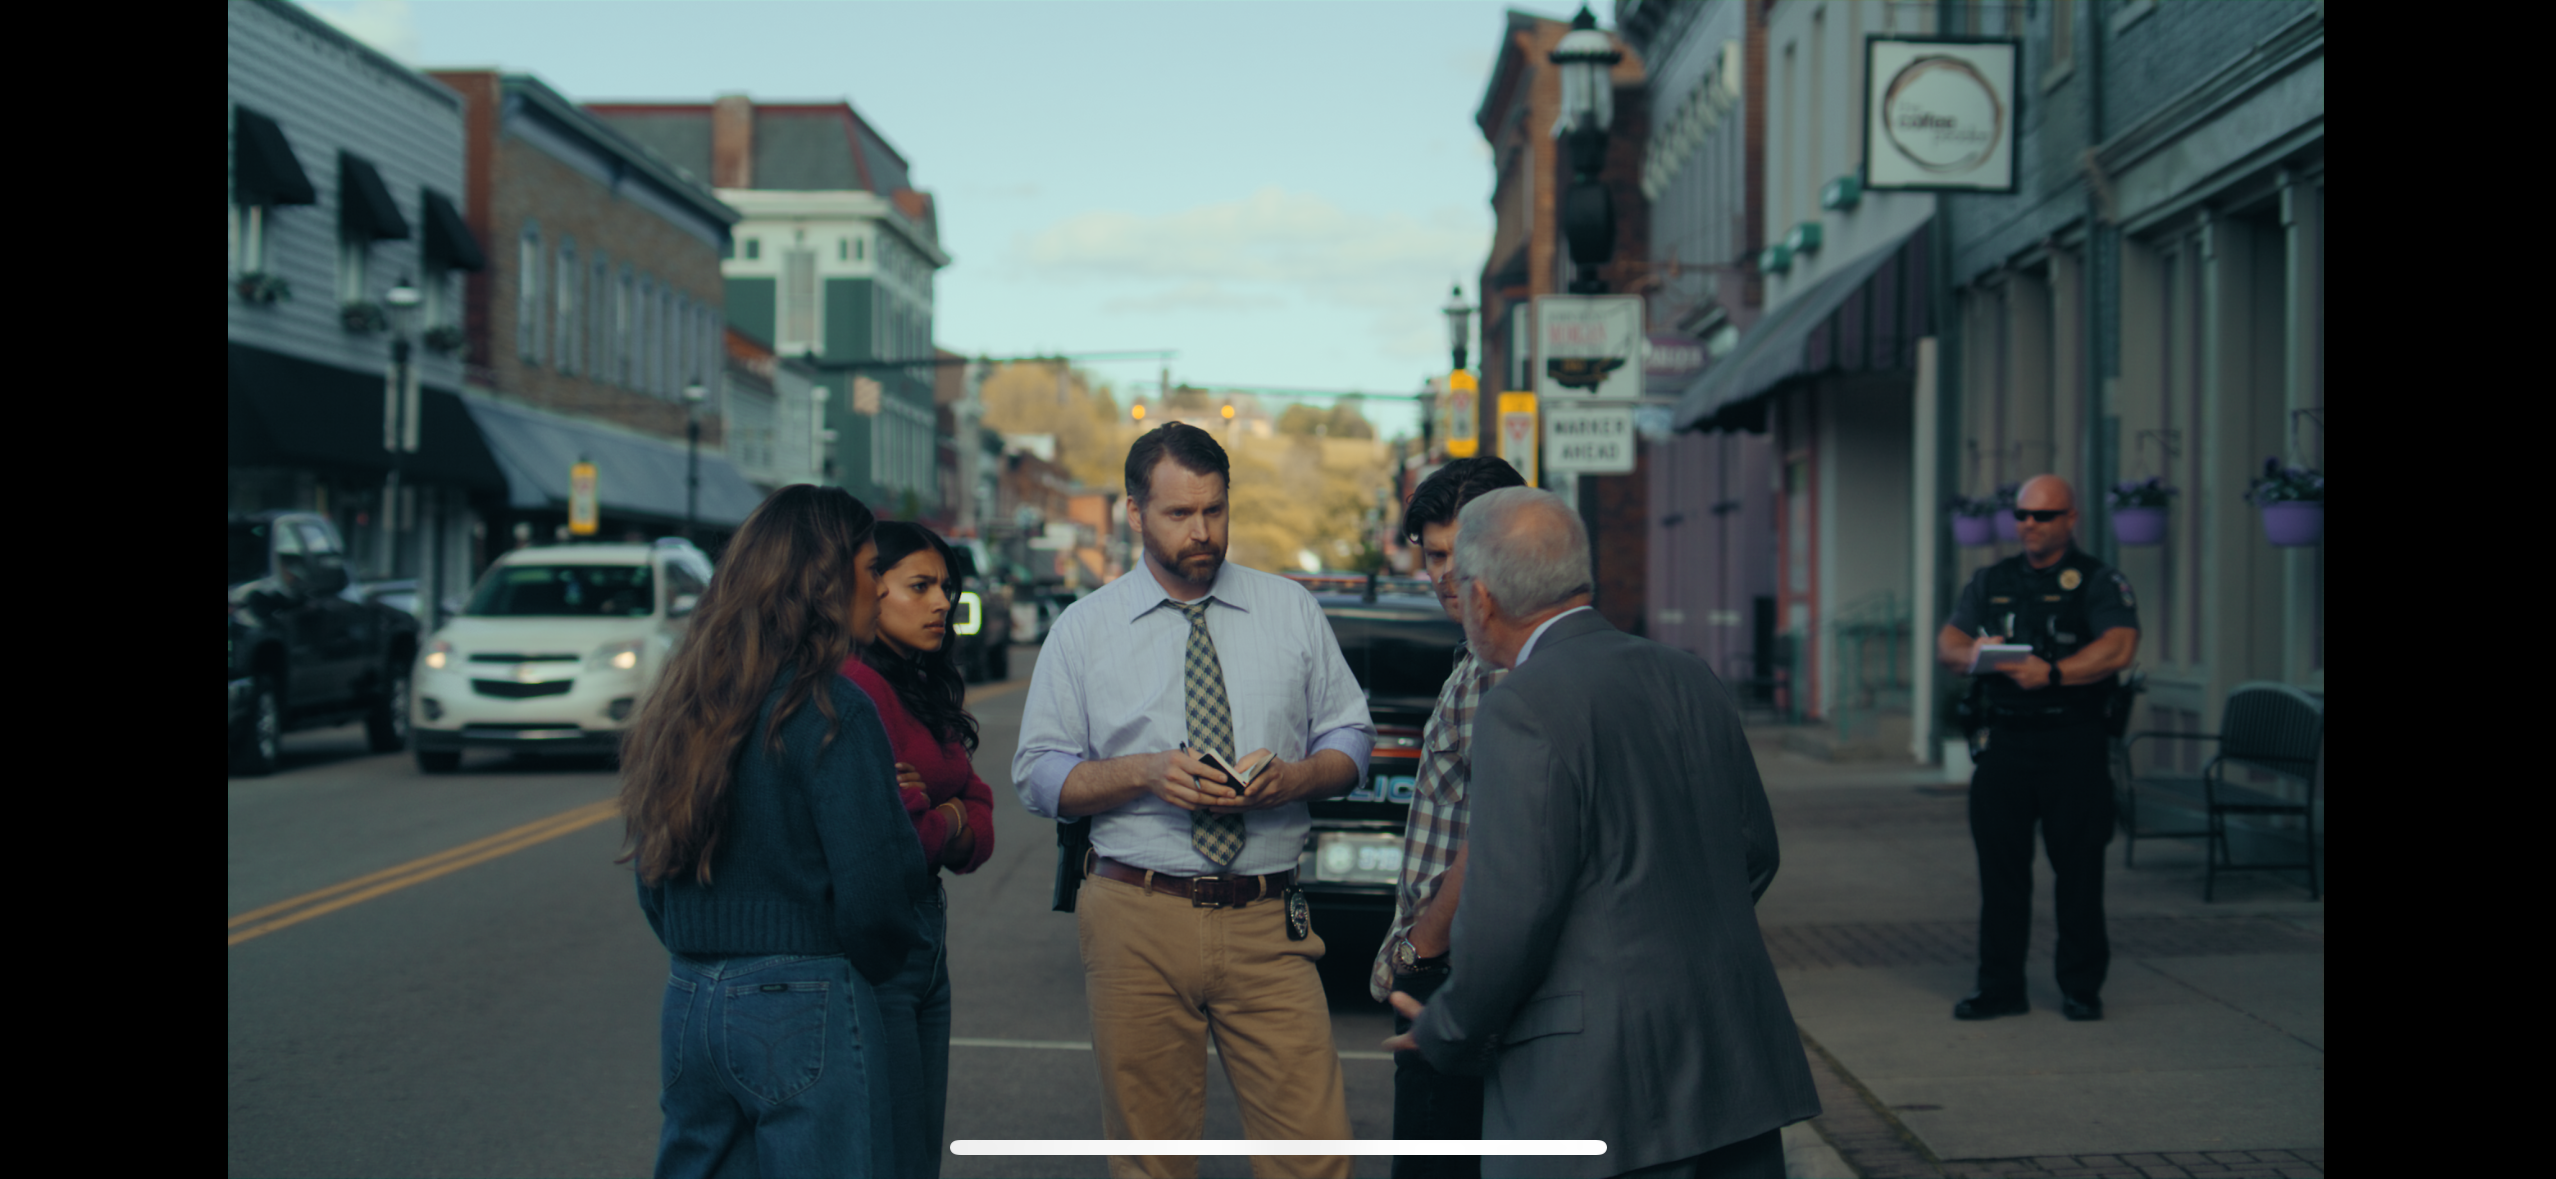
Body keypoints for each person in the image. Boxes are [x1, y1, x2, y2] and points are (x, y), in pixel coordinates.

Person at [1385, 488, 1819, 1179]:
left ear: (1483, 597)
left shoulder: (1518, 706)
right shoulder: (1691, 675)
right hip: (1732, 1070)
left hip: (1597, 1099)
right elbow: (1756, 849)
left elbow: (1508, 919)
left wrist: (1447, 1028)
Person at [1012, 422, 1375, 1179]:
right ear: (1134, 512)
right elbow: (1041, 776)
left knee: (1317, 1157)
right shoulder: (1084, 630)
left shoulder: (1291, 611)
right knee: (1154, 1164)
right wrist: (1143, 772)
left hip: (1268, 920)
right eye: (1180, 513)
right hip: (1136, 915)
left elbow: (1351, 736)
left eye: (1215, 509)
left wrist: (1296, 777)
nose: (1202, 531)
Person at [619, 484, 931, 1179]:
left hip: (691, 995)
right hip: (806, 996)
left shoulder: (685, 697)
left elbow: (652, 871)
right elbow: (878, 889)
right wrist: (861, 971)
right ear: (824, 577)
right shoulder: (833, 709)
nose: (880, 587)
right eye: (870, 566)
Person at [1368, 456, 1525, 1179]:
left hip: (1459, 979)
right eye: (1432, 554)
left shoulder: (1506, 666)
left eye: (1460, 551)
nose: (1443, 572)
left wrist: (1418, 951)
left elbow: (1505, 832)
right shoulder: (1472, 660)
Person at [1935, 474, 2140, 1022]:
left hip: (2072, 740)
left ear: (2071, 519)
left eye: (2043, 516)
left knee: (2078, 871)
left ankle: (2080, 986)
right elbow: (1949, 643)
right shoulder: (1993, 580)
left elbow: (2119, 647)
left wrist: (2053, 673)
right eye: (2022, 515)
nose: (2029, 525)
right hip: (2005, 741)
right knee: (2000, 874)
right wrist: (1976, 650)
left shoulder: (2097, 581)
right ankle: (2000, 987)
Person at [841, 520, 998, 1179]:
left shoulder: (919, 683)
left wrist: (946, 812)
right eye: (921, 585)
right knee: (889, 1151)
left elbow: (984, 821)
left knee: (917, 1150)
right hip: (880, 947)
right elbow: (898, 834)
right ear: (867, 588)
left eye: (946, 587)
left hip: (927, 946)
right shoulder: (856, 686)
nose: (942, 602)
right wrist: (948, 815)